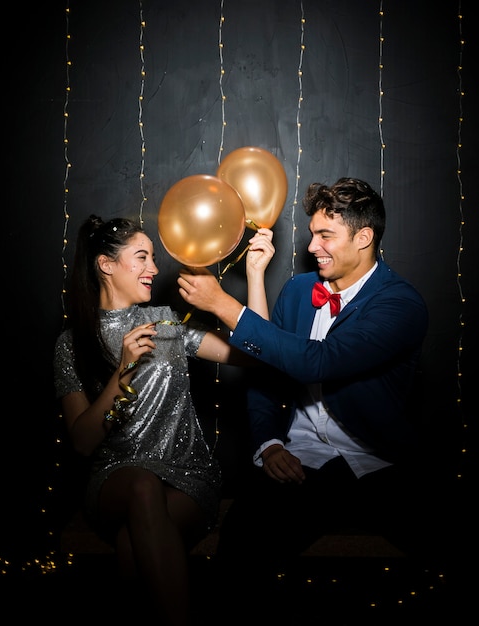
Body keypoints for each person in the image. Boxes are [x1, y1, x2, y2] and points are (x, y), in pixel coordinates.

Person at [177, 177, 430, 617]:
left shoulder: (400, 305)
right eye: (313, 233)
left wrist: (223, 306)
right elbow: (267, 375)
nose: (312, 246)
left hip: (376, 464)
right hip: (301, 458)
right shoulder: (297, 292)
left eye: (325, 235)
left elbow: (319, 361)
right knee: (241, 543)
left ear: (364, 237)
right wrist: (269, 443)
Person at [53, 214, 274, 626]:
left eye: (153, 257)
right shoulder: (72, 344)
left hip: (188, 475)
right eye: (142, 257)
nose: (154, 269)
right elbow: (82, 443)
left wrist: (256, 273)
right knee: (141, 484)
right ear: (106, 265)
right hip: (115, 479)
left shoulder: (166, 324)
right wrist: (123, 372)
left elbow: (253, 354)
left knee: (130, 543)